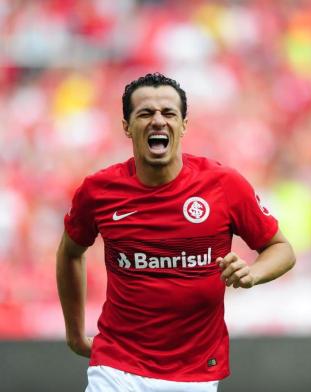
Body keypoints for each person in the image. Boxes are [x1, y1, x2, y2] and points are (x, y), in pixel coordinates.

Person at [56, 72, 296, 392]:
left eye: (168, 113)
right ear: (126, 126)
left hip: (194, 371)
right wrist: (74, 333)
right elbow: (70, 252)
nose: (158, 121)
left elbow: (282, 249)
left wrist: (252, 273)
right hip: (117, 366)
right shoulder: (99, 191)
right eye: (145, 113)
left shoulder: (224, 185)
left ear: (183, 125)